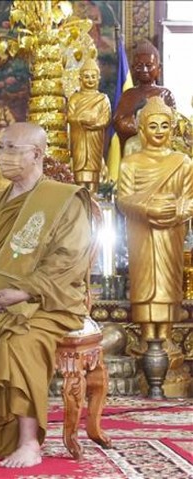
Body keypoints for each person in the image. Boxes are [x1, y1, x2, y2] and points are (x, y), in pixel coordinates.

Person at [0, 122, 94, 468]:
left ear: (37, 154)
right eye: (0, 148)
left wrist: (22, 292)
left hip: (49, 302)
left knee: (16, 343)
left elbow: (68, 262)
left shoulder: (63, 200)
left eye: (11, 148)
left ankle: (29, 442)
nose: (2, 156)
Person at [116, 97, 193, 353]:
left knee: (169, 283)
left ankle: (167, 338)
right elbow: (123, 200)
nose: (159, 131)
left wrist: (176, 210)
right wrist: (149, 208)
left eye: (164, 126)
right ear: (142, 129)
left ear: (172, 129)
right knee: (145, 283)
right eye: (153, 126)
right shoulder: (130, 163)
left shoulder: (182, 162)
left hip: (171, 232)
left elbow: (190, 200)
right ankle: (147, 337)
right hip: (141, 233)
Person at [113, 39, 176, 154]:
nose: (144, 69)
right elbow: (119, 124)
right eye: (139, 66)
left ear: (159, 68)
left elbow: (173, 124)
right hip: (136, 149)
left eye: (149, 65)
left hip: (161, 149)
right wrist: (140, 123)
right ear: (132, 69)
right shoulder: (128, 94)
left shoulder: (165, 94)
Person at [67, 58, 111, 193]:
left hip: (95, 137)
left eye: (93, 77)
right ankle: (80, 190)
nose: (90, 80)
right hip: (79, 137)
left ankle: (93, 192)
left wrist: (94, 123)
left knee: (93, 164)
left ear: (98, 78)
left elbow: (106, 118)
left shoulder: (103, 98)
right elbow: (69, 116)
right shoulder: (75, 98)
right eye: (86, 77)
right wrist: (81, 119)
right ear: (80, 79)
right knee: (80, 164)